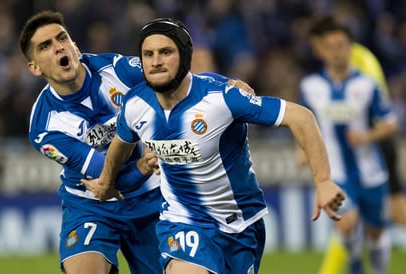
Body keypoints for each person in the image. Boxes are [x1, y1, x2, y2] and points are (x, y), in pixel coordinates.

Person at [82, 17, 345, 274]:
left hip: (240, 226)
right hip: (182, 221)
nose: (156, 61)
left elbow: (301, 117)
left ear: (184, 56)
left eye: (165, 52)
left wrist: (322, 182)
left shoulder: (222, 98)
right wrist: (107, 181)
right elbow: (121, 144)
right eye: (148, 54)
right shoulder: (135, 105)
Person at [18, 11, 252, 274]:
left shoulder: (116, 70)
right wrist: (142, 164)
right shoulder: (45, 126)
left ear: (75, 46)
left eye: (62, 38)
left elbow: (175, 78)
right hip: (92, 204)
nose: (58, 47)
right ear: (35, 67)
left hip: (151, 198)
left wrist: (225, 86)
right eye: (45, 46)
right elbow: (105, 175)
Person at [299, 17, 398, 274]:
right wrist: (301, 149)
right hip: (337, 173)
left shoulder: (367, 84)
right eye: (330, 46)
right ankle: (355, 265)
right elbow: (303, 124)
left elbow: (390, 123)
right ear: (322, 50)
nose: (336, 52)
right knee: (346, 223)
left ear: (350, 47)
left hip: (371, 171)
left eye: (341, 45)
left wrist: (366, 137)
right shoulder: (311, 87)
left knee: (376, 234)